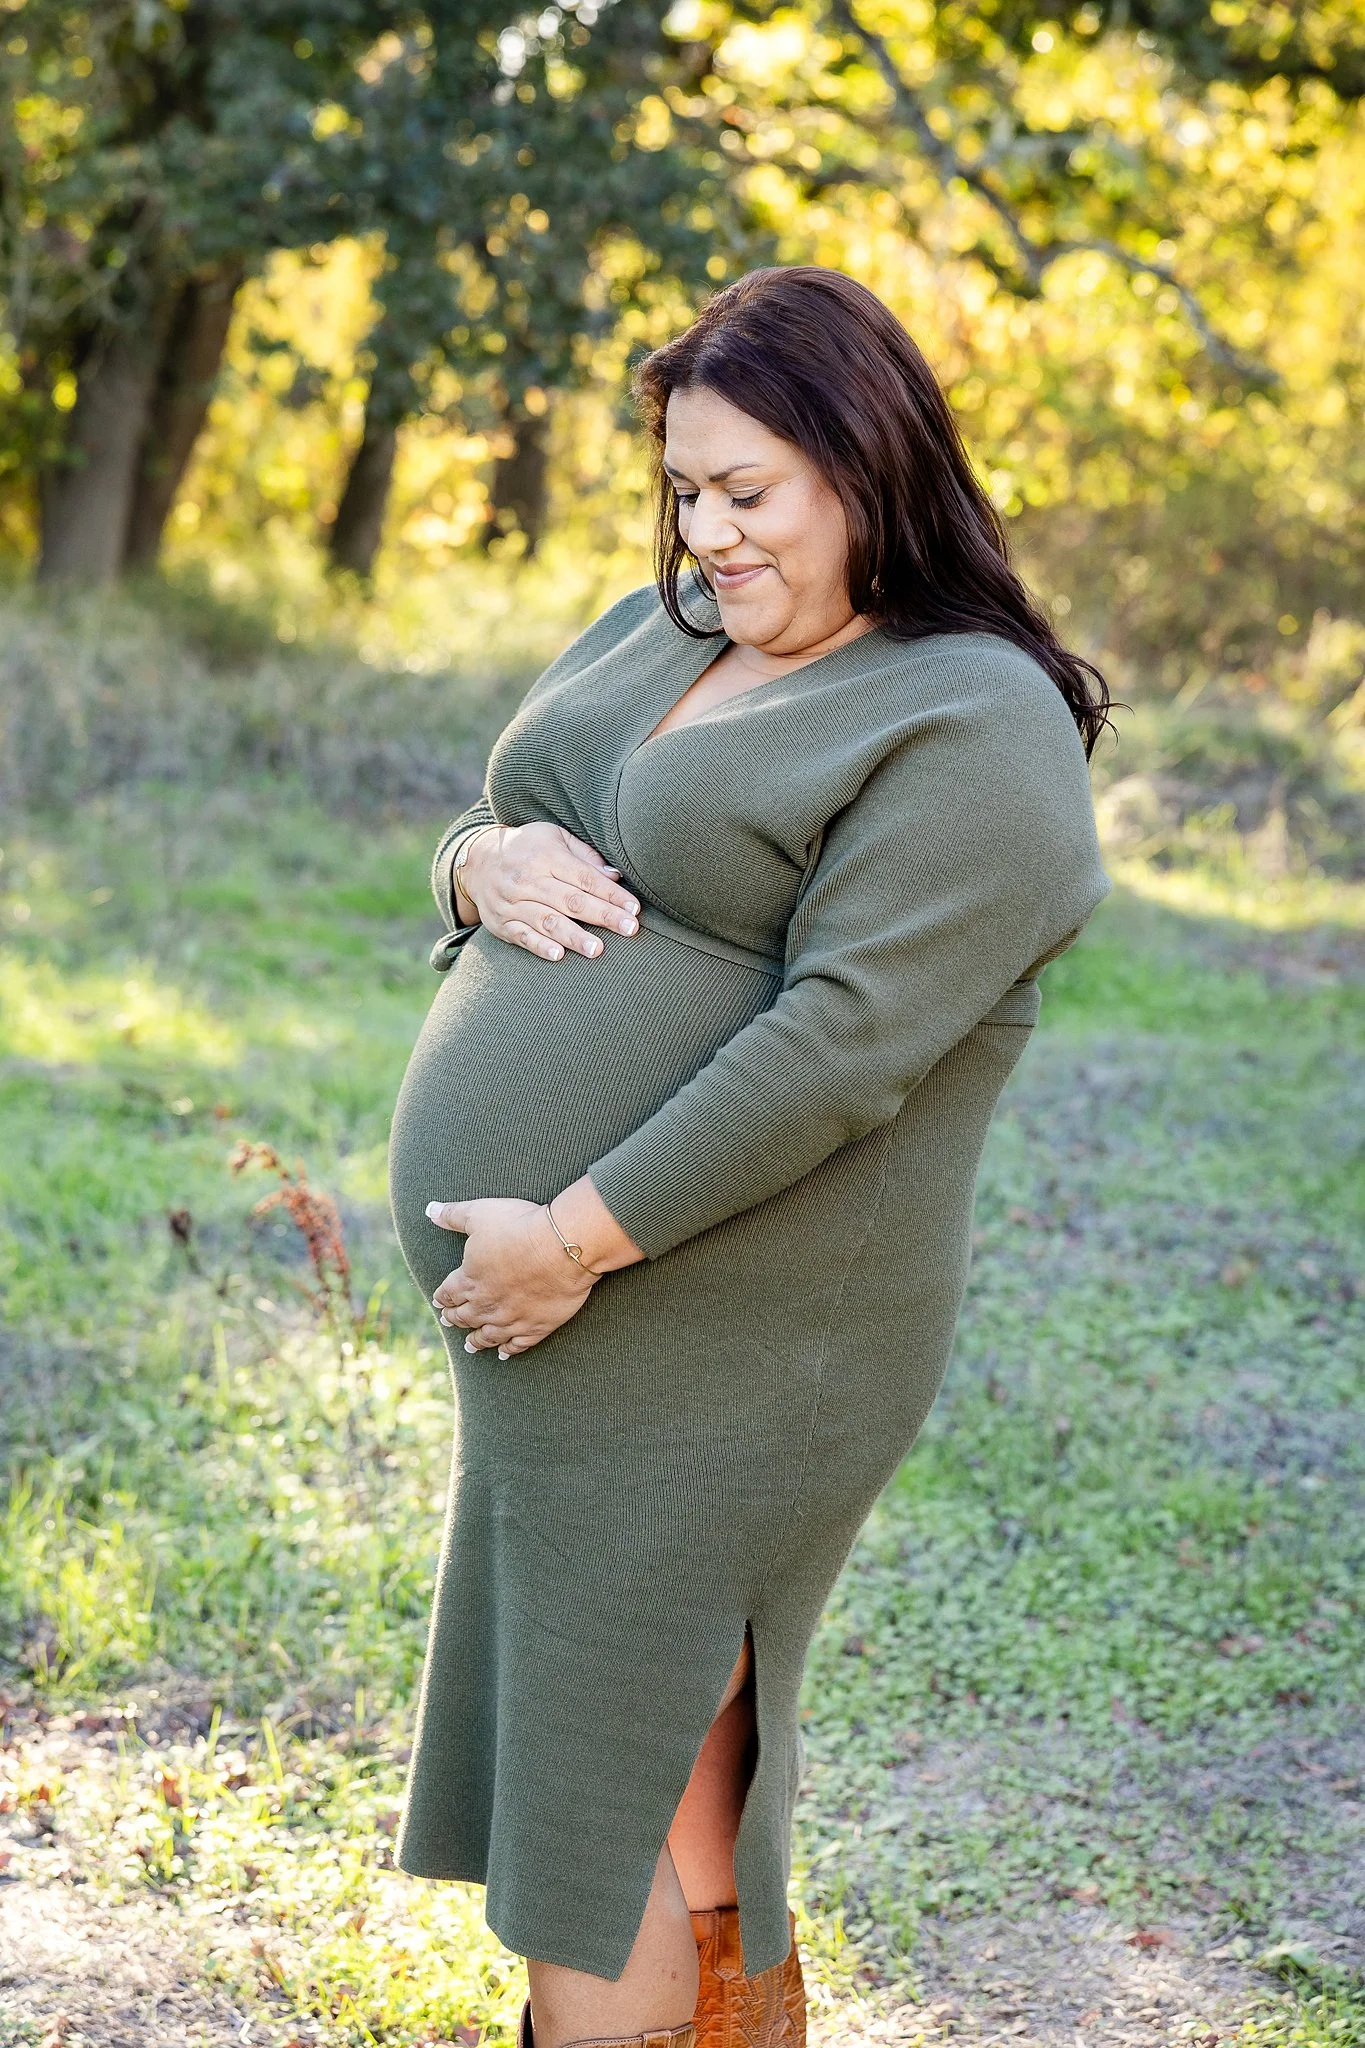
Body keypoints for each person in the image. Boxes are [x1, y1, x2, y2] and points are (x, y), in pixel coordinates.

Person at [387, 265, 1110, 2048]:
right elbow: (515, 813)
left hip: (731, 1309)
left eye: (747, 490)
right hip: (575, 1309)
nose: (708, 532)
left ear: (869, 467)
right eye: (685, 490)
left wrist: (573, 1237)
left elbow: (843, 1046)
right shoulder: (674, 627)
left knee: (604, 1781)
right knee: (653, 1763)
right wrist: (473, 866)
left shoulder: (974, 719)